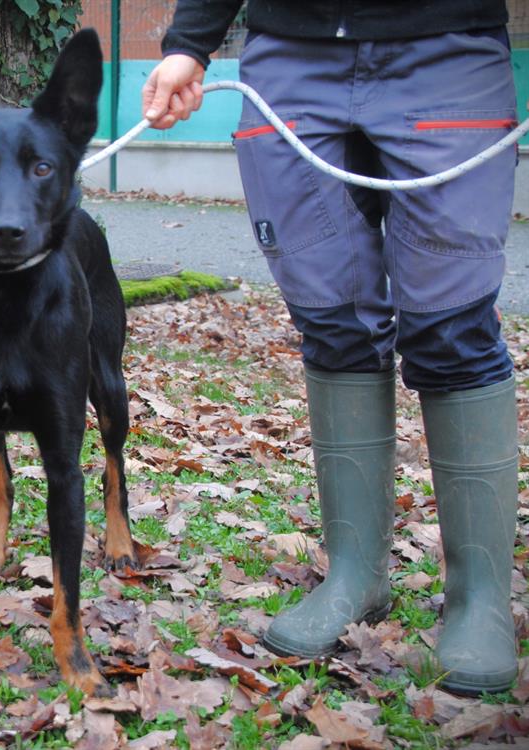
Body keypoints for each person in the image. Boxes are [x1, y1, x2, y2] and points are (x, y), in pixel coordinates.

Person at [142, 1, 521, 696]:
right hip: (292, 53)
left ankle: (479, 602)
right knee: (332, 317)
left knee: (452, 327)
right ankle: (354, 574)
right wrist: (188, 44)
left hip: (447, 47)